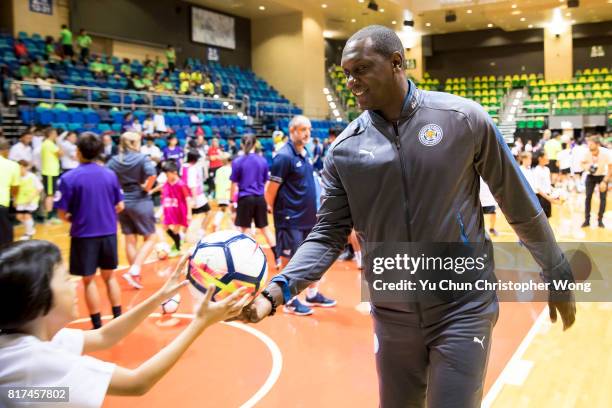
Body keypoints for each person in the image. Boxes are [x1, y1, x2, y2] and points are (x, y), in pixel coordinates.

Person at [238, 26, 576, 407]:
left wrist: (556, 268)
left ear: (396, 62)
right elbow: (327, 234)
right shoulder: (345, 151)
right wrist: (276, 291)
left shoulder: (463, 120)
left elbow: (517, 201)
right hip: (392, 314)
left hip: (463, 307)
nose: (351, 82)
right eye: (346, 73)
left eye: (361, 69)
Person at [0, 241, 249, 407]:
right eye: (65, 279)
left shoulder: (22, 344)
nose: (75, 284)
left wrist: (160, 296)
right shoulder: (36, 364)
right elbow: (137, 382)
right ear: (37, 298)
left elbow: (104, 337)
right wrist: (200, 324)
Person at [264, 116, 336, 316]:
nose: (307, 133)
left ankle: (312, 294)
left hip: (307, 218)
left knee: (312, 257)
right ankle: (289, 300)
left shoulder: (305, 154)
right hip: (289, 219)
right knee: (289, 261)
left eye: (309, 129)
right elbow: (270, 191)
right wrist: (274, 213)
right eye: (302, 129)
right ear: (292, 130)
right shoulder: (284, 156)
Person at [55, 133, 124, 329]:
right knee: (110, 277)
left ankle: (97, 326)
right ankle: (118, 319)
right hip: (109, 233)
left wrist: (74, 217)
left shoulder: (68, 178)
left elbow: (62, 212)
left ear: (78, 152)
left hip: (84, 235)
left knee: (88, 281)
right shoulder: (110, 174)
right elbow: (120, 206)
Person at [107, 132, 158, 290]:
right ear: (136, 143)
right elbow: (152, 175)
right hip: (140, 199)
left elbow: (109, 178)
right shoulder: (142, 158)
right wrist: (147, 188)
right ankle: (135, 270)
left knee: (130, 239)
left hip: (122, 201)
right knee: (151, 237)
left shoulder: (114, 160)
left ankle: (134, 275)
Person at [230, 135, 276, 251]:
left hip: (245, 199)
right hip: (260, 198)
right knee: (265, 228)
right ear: (256, 144)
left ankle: (250, 256)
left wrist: (231, 201)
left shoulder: (237, 161)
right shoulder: (263, 160)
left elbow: (234, 184)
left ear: (241, 144)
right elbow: (267, 182)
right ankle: (277, 257)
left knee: (245, 229)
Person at [151, 160, 191, 256]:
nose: (166, 176)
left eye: (167, 174)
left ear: (174, 173)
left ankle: (177, 247)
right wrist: (151, 191)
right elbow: (161, 186)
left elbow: (188, 199)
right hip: (170, 210)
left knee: (176, 229)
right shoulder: (168, 182)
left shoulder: (181, 184)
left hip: (179, 211)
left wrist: (189, 213)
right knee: (165, 226)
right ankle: (179, 240)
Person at [581, 135, 610, 228]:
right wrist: (587, 167)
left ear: (597, 144)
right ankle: (587, 220)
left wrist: (605, 182)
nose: (589, 145)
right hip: (591, 176)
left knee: (603, 198)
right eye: (588, 143)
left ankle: (600, 220)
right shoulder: (586, 152)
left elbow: (611, 168)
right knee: (588, 197)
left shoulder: (606, 153)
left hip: (602, 176)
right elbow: (582, 163)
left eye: (591, 144)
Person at [182, 149, 211, 237]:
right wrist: (194, 199)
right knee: (208, 213)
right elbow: (192, 185)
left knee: (189, 217)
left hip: (186, 195)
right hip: (196, 196)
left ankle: (182, 235)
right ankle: (201, 231)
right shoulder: (192, 169)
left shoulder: (183, 167)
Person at [14, 160, 42, 240]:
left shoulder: (32, 176)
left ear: (26, 168)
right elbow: (15, 190)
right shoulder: (17, 177)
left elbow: (39, 188)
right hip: (20, 200)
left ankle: (28, 233)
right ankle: (31, 228)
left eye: (22, 167)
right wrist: (15, 200)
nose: (20, 169)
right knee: (19, 217)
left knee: (27, 216)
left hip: (31, 200)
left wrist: (31, 197)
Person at [0, 137, 20, 247]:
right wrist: (15, 199)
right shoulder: (13, 165)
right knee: (6, 240)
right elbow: (15, 187)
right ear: (5, 150)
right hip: (2, 203)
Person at [40, 127, 63, 223]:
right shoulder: (49, 144)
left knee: (51, 194)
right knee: (50, 195)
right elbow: (61, 153)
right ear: (50, 134)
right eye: (55, 134)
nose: (56, 135)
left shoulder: (47, 143)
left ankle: (49, 215)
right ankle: (49, 217)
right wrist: (59, 142)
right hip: (49, 172)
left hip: (51, 172)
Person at [212, 154, 232, 232]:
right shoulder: (231, 170)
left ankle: (216, 223)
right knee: (231, 211)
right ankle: (233, 228)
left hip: (220, 194)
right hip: (228, 193)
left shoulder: (218, 170)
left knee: (222, 209)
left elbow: (216, 182)